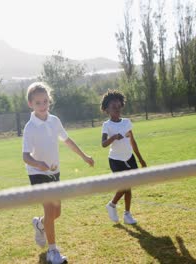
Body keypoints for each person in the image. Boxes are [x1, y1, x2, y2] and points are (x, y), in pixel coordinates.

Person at [22, 82, 94, 264]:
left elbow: (67, 140)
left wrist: (84, 156)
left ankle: (39, 224)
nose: (42, 105)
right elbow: (25, 156)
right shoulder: (30, 127)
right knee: (49, 209)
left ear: (49, 101)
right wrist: (39, 164)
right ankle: (52, 251)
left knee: (56, 213)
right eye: (38, 102)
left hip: (55, 173)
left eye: (45, 101)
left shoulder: (54, 121)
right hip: (37, 174)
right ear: (30, 104)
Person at [100, 90, 146, 225]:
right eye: (114, 107)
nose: (117, 109)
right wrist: (113, 137)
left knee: (129, 186)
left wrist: (140, 159)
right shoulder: (106, 125)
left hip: (129, 158)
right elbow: (103, 144)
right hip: (115, 160)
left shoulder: (127, 122)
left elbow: (133, 141)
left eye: (119, 106)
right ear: (107, 109)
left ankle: (127, 214)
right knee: (125, 185)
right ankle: (112, 204)